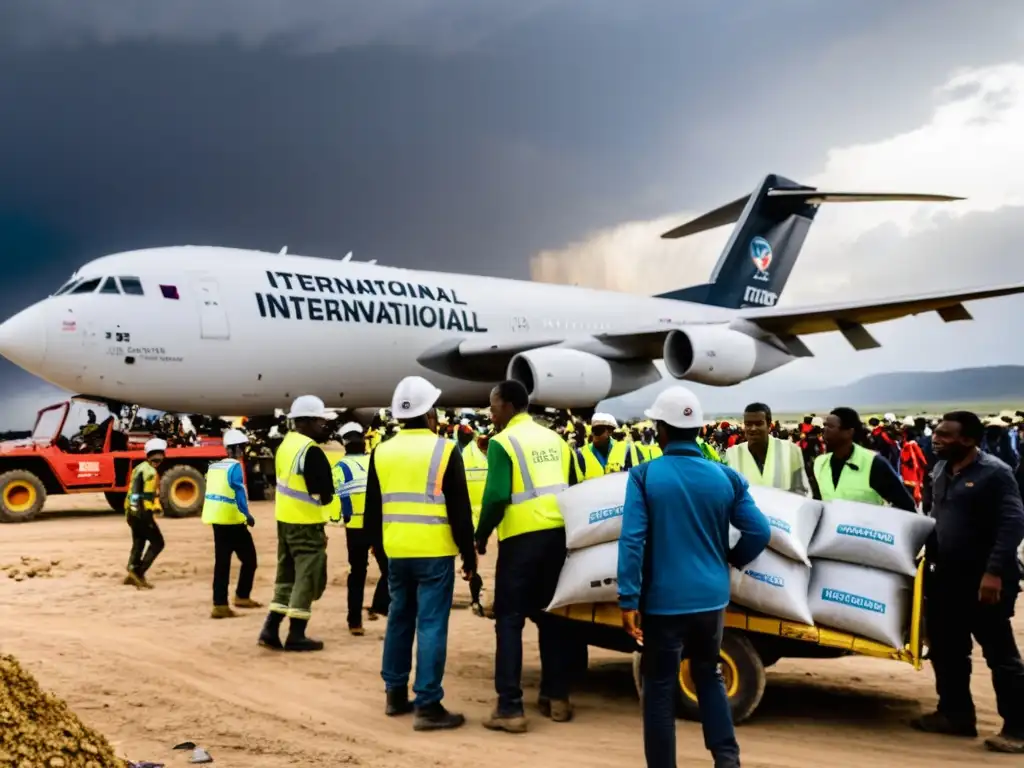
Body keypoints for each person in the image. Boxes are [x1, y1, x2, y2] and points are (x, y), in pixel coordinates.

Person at [618, 386, 770, 768]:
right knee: (709, 674)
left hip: (664, 603)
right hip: (711, 599)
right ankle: (726, 759)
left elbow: (633, 541)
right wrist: (729, 561)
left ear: (661, 430)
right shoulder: (725, 477)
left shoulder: (644, 476)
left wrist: (627, 599)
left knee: (659, 689)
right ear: (699, 430)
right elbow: (759, 532)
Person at [363, 375, 476, 731]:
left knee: (399, 619)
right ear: (431, 414)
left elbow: (372, 512)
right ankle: (428, 704)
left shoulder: (381, 450)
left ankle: (394, 695)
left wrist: (381, 556)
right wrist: (469, 555)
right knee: (430, 624)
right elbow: (459, 509)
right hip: (434, 552)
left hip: (397, 551)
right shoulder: (445, 449)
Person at [912, 411, 1024, 753]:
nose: (937, 439)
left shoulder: (995, 474)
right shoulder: (941, 469)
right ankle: (956, 715)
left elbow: (1012, 524)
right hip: (946, 578)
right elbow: (936, 521)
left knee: (1000, 655)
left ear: (969, 440)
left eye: (946, 435)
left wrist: (993, 574)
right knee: (947, 651)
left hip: (985, 581)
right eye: (937, 433)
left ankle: (1019, 730)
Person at [475, 380, 581, 733]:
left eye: (493, 407)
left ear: (508, 406)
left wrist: (481, 535)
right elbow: (573, 485)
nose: (491, 414)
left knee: (509, 620)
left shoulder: (502, 442)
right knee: (551, 618)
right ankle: (557, 698)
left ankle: (509, 708)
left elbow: (495, 497)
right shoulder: (555, 439)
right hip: (558, 538)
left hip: (521, 540)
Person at [258, 395, 336, 652]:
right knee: (307, 576)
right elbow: (324, 491)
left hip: (286, 521)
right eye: (321, 421)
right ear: (307, 422)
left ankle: (271, 627)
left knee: (286, 575)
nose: (324, 426)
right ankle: (296, 633)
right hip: (306, 523)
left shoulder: (287, 445)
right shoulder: (310, 450)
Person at [335, 421, 389, 636]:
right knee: (389, 569)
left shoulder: (339, 467)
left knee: (357, 573)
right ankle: (380, 605)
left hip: (355, 528)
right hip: (377, 525)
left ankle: (355, 621)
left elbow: (338, 498)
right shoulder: (376, 462)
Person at [202, 428, 260, 618]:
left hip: (216, 520)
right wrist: (248, 515)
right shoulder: (235, 467)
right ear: (238, 448)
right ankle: (242, 596)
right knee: (250, 560)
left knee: (222, 563)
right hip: (233, 521)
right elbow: (239, 493)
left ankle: (219, 604)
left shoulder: (215, 467)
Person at [810, 407, 916, 510]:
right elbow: (817, 504)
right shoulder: (820, 463)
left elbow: (906, 507)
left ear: (849, 432)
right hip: (831, 527)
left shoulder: (874, 463)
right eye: (825, 426)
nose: (825, 431)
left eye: (831, 427)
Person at [725, 402, 810, 495]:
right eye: (748, 424)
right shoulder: (732, 454)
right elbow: (728, 492)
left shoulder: (790, 450)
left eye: (759, 424)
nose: (753, 428)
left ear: (769, 425)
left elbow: (802, 490)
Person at [124, 438, 169, 589]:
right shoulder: (150, 472)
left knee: (139, 541)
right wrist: (148, 516)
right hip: (141, 513)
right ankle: (139, 572)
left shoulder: (139, 467)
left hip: (130, 512)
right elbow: (145, 495)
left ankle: (131, 570)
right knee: (158, 543)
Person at [576, 413, 642, 480]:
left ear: (609, 432)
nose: (594, 435)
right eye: (593, 430)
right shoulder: (581, 453)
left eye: (598, 431)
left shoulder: (626, 449)